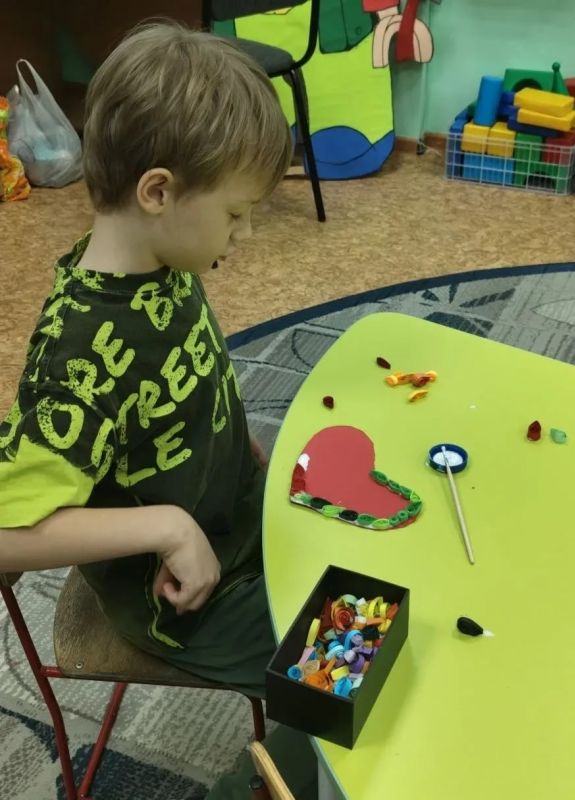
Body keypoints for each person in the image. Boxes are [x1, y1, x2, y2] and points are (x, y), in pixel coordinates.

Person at [0, 21, 318, 799]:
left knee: (389, 555)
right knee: (358, 673)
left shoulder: (164, 258)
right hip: (190, 600)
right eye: (237, 214)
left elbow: (182, 380)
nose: (245, 234)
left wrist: (240, 444)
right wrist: (168, 529)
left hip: (239, 519)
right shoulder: (79, 359)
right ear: (158, 192)